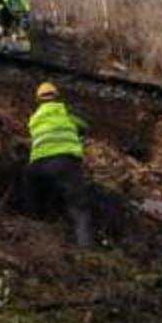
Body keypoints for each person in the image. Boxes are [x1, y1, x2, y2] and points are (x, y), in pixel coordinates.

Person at [24, 81, 95, 248]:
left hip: (36, 166)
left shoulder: (33, 118)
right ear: (57, 96)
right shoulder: (66, 112)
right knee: (79, 208)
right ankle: (86, 251)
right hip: (64, 163)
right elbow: (85, 125)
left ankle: (35, 241)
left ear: (38, 100)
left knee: (37, 202)